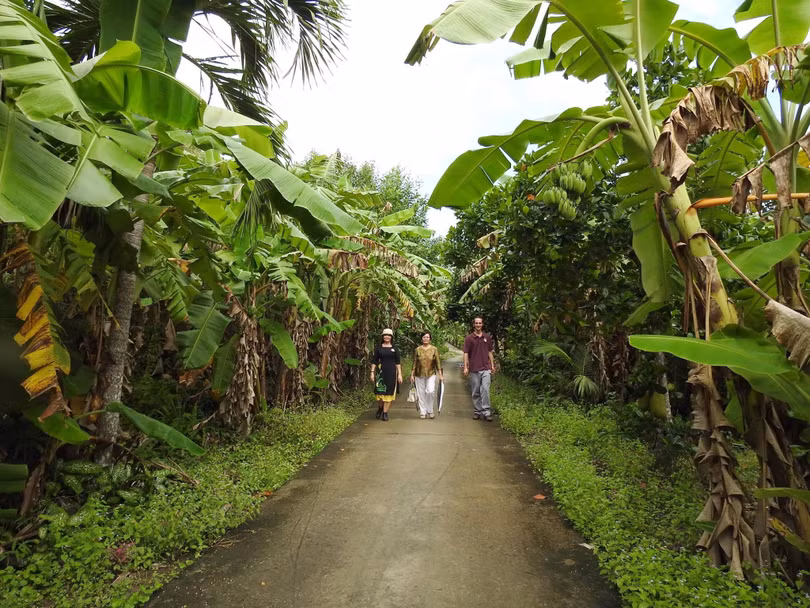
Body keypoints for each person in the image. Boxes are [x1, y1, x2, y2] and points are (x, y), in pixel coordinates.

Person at [462, 316, 496, 421]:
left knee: (485, 390)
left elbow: (490, 352)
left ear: (482, 324)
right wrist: (465, 367)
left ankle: (486, 412)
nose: (478, 325)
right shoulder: (469, 338)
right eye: (476, 323)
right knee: (475, 391)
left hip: (486, 368)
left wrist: (492, 365)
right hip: (474, 368)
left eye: (480, 323)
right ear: (474, 325)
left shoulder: (487, 337)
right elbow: (466, 353)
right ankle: (477, 411)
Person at [409, 331, 443, 419]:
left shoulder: (434, 349)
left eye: (427, 337)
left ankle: (430, 410)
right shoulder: (417, 349)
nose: (426, 339)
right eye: (424, 337)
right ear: (421, 339)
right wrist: (412, 375)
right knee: (421, 393)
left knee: (430, 391)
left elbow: (438, 363)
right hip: (419, 374)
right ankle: (423, 412)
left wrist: (440, 375)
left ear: (430, 339)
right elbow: (415, 362)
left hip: (431, 373)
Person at [370, 328, 402, 421]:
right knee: (379, 393)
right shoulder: (379, 348)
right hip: (380, 373)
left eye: (389, 335)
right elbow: (374, 361)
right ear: (383, 336)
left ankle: (385, 412)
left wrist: (399, 374)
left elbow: (398, 362)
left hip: (391, 372)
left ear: (391, 337)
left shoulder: (394, 348)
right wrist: (372, 372)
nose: (387, 337)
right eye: (385, 335)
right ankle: (380, 408)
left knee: (389, 392)